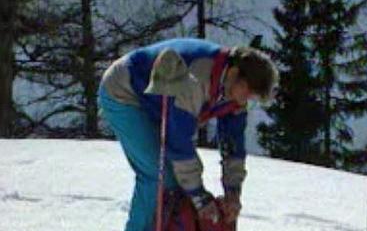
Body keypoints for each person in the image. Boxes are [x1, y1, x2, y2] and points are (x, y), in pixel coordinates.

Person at [98, 38, 279, 231]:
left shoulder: (233, 91)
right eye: (248, 91)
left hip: (158, 101)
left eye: (253, 96)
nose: (247, 99)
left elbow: (233, 146)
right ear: (234, 73)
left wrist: (233, 192)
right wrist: (199, 197)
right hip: (124, 91)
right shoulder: (196, 78)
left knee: (175, 180)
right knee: (158, 176)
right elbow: (179, 145)